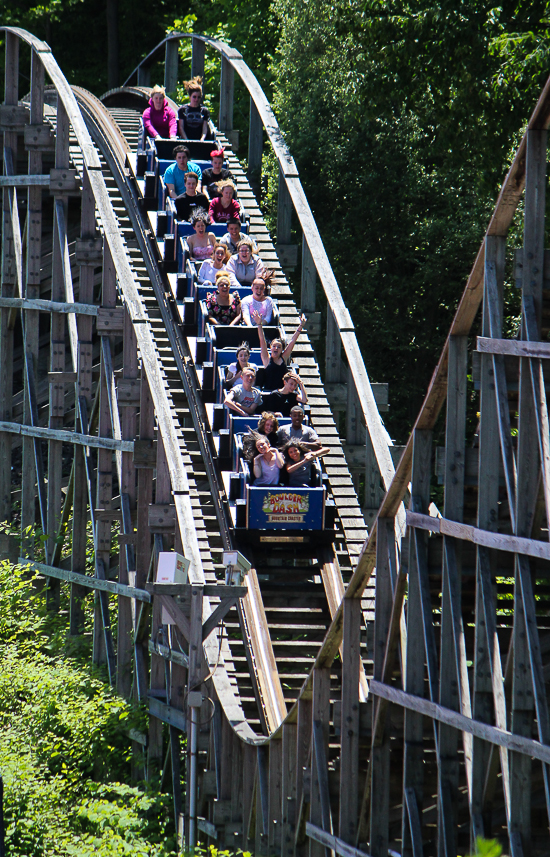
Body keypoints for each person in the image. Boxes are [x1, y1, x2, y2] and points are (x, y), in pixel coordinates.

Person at [254, 312, 307, 389]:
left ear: (282, 349)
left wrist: (301, 326)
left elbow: (292, 341)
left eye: (279, 347)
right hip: (269, 391)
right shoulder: (266, 359)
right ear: (271, 348)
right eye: (274, 346)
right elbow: (262, 340)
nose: (276, 348)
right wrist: (259, 324)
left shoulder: (283, 358)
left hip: (282, 392)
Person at [177, 76, 210, 141]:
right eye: (194, 97)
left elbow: (204, 128)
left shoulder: (204, 111)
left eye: (198, 97)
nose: (196, 99)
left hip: (199, 140)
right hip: (186, 139)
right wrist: (186, 140)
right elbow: (181, 128)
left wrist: (202, 139)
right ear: (190, 97)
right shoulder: (183, 110)